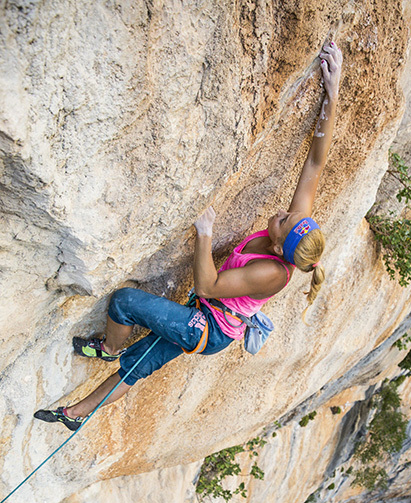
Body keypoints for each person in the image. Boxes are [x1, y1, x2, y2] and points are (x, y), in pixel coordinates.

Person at [34, 41, 343, 431]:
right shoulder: (295, 230)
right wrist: (333, 91)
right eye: (293, 214)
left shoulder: (273, 273)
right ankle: (74, 416)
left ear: (281, 248)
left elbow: (210, 286)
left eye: (285, 220)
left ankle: (110, 347)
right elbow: (316, 162)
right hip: (204, 315)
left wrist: (204, 234)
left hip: (208, 327)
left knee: (125, 302)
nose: (284, 213)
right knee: (140, 367)